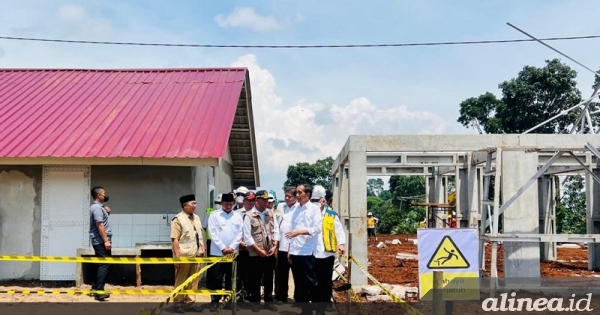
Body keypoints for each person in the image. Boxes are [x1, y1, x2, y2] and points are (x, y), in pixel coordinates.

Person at [286, 184, 323, 315]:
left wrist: (299, 232)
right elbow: (291, 230)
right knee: (299, 284)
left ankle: (319, 310)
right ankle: (305, 310)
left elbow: (317, 229)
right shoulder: (295, 209)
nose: (297, 195)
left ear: (307, 195)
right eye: (296, 192)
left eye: (300, 193)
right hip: (296, 251)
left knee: (311, 283)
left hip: (307, 251)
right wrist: (290, 250)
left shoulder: (314, 209)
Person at [243, 190, 280, 312]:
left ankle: (269, 301)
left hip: (269, 251)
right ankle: (256, 302)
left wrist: (275, 246)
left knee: (269, 277)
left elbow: (276, 231)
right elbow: (247, 237)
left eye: (267, 200)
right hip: (255, 253)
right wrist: (259, 251)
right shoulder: (249, 215)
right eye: (263, 200)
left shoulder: (270, 213)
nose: (266, 202)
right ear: (257, 200)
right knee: (255, 278)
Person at [207, 193, 243, 312]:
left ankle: (229, 301)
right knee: (216, 277)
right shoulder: (214, 215)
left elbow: (240, 233)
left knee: (231, 278)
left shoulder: (237, 216)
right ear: (222, 203)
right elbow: (212, 233)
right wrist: (223, 247)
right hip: (218, 252)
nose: (228, 206)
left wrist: (231, 247)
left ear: (234, 204)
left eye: (231, 204)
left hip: (233, 253)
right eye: (226, 204)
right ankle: (215, 301)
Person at [170, 194, 206, 313]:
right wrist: (177, 257)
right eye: (192, 204)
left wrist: (203, 247)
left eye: (195, 203)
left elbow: (199, 235)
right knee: (181, 280)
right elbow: (175, 239)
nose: (195, 206)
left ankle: (190, 303)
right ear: (185, 206)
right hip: (184, 255)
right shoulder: (178, 219)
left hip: (197, 254)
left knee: (193, 280)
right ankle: (178, 303)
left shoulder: (197, 218)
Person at [313, 188, 346, 312]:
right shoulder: (309, 212)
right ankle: (316, 303)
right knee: (314, 280)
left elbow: (339, 230)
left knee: (326, 279)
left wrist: (342, 244)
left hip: (327, 252)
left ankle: (326, 302)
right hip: (312, 252)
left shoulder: (331, 213)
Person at [274, 187, 299, 304]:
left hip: (295, 247)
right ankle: (282, 296)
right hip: (282, 245)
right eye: (286, 196)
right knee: (282, 273)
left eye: (290, 196)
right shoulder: (280, 207)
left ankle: (298, 298)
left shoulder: (299, 208)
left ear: (295, 197)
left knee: (297, 274)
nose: (287, 198)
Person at [89, 186, 112, 301]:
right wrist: (106, 240)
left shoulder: (99, 208)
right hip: (100, 241)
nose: (105, 195)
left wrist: (107, 213)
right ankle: (99, 291)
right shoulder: (97, 208)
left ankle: (94, 288)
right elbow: (100, 225)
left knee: (100, 264)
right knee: (104, 264)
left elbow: (102, 222)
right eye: (103, 193)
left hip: (99, 240)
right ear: (98, 195)